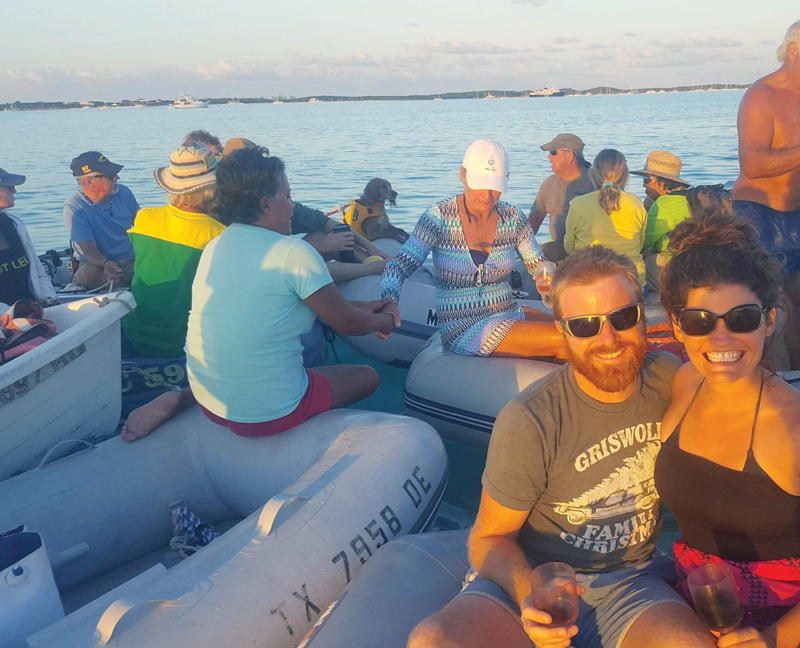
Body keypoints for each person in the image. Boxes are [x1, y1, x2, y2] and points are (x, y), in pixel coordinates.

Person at [409, 245, 714, 648]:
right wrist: (528, 595)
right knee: (434, 641)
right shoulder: (531, 419)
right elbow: (486, 539)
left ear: (644, 318)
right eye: (585, 325)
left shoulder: (668, 380)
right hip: (538, 574)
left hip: (632, 580)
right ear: (562, 334)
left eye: (623, 318)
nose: (609, 339)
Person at [120, 146, 397, 442]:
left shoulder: (217, 244)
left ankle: (181, 399)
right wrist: (387, 320)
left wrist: (362, 306)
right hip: (266, 414)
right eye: (288, 197)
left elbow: (273, 305)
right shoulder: (294, 252)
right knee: (368, 376)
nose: (292, 206)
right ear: (266, 204)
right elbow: (349, 325)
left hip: (207, 399)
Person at [655, 210, 800, 646]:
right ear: (679, 327)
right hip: (694, 607)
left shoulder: (792, 429)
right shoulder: (684, 383)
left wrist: (772, 639)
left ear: (769, 321)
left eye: (741, 319)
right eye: (701, 321)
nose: (720, 340)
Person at [380, 138, 565, 359]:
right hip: (463, 328)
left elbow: (539, 266)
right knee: (565, 341)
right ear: (463, 174)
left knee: (577, 332)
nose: (487, 196)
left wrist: (552, 283)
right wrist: (389, 303)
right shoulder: (439, 216)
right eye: (480, 184)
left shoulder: (514, 218)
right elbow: (398, 266)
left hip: (510, 313)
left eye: (495, 187)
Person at [222, 137, 390, 282]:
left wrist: (371, 248)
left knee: (320, 236)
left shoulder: (278, 206)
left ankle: (378, 263)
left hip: (281, 257)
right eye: (287, 196)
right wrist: (371, 270)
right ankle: (375, 267)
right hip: (274, 265)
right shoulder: (231, 225)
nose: (292, 204)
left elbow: (328, 224)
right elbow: (294, 261)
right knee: (309, 251)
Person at [733, 20, 800, 369]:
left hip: (797, 217)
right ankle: (769, 389)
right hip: (759, 216)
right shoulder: (762, 95)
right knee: (770, 312)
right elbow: (754, 163)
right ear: (793, 51)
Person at [121, 143, 224, 358]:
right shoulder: (219, 235)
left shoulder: (144, 218)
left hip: (135, 333)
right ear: (211, 188)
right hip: (183, 343)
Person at [565, 149, 648, 290]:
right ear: (624, 175)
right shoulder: (635, 202)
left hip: (590, 282)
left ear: (593, 174)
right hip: (632, 284)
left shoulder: (577, 204)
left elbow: (569, 247)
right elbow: (640, 244)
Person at [63, 151, 140, 290]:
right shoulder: (75, 205)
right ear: (90, 181)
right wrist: (105, 264)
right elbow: (90, 253)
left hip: (131, 262)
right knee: (88, 275)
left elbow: (143, 228)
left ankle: (126, 287)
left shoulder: (125, 193)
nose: (117, 177)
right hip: (97, 265)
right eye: (110, 176)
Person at [632, 151, 692, 292]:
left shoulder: (664, 204)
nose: (644, 185)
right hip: (695, 263)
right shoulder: (687, 197)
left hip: (681, 270)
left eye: (647, 179)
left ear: (663, 182)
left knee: (642, 265)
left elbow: (640, 243)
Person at [528, 133, 593, 262]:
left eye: (553, 152)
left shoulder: (596, 181)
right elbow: (535, 218)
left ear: (569, 156)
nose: (549, 156)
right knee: (546, 251)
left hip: (593, 251)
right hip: (561, 250)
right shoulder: (549, 184)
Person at [0, 168, 57, 308]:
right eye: (10, 187)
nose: (14, 191)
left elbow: (39, 272)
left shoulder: (16, 226)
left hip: (31, 312)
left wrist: (48, 298)